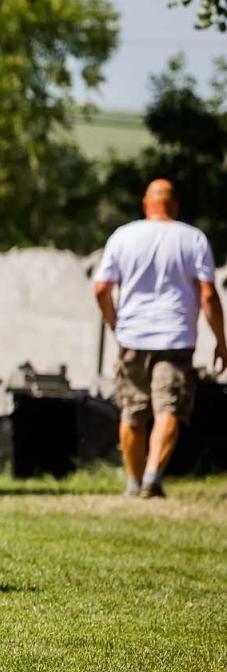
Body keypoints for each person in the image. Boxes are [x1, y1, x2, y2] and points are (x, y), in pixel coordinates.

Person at [93, 178, 226, 498]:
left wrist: (114, 322)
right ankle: (152, 476)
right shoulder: (192, 238)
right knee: (169, 409)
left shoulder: (123, 236)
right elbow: (208, 296)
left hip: (132, 336)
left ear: (145, 204)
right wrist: (221, 340)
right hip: (175, 338)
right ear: (175, 205)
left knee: (131, 411)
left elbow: (100, 288)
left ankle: (134, 483)